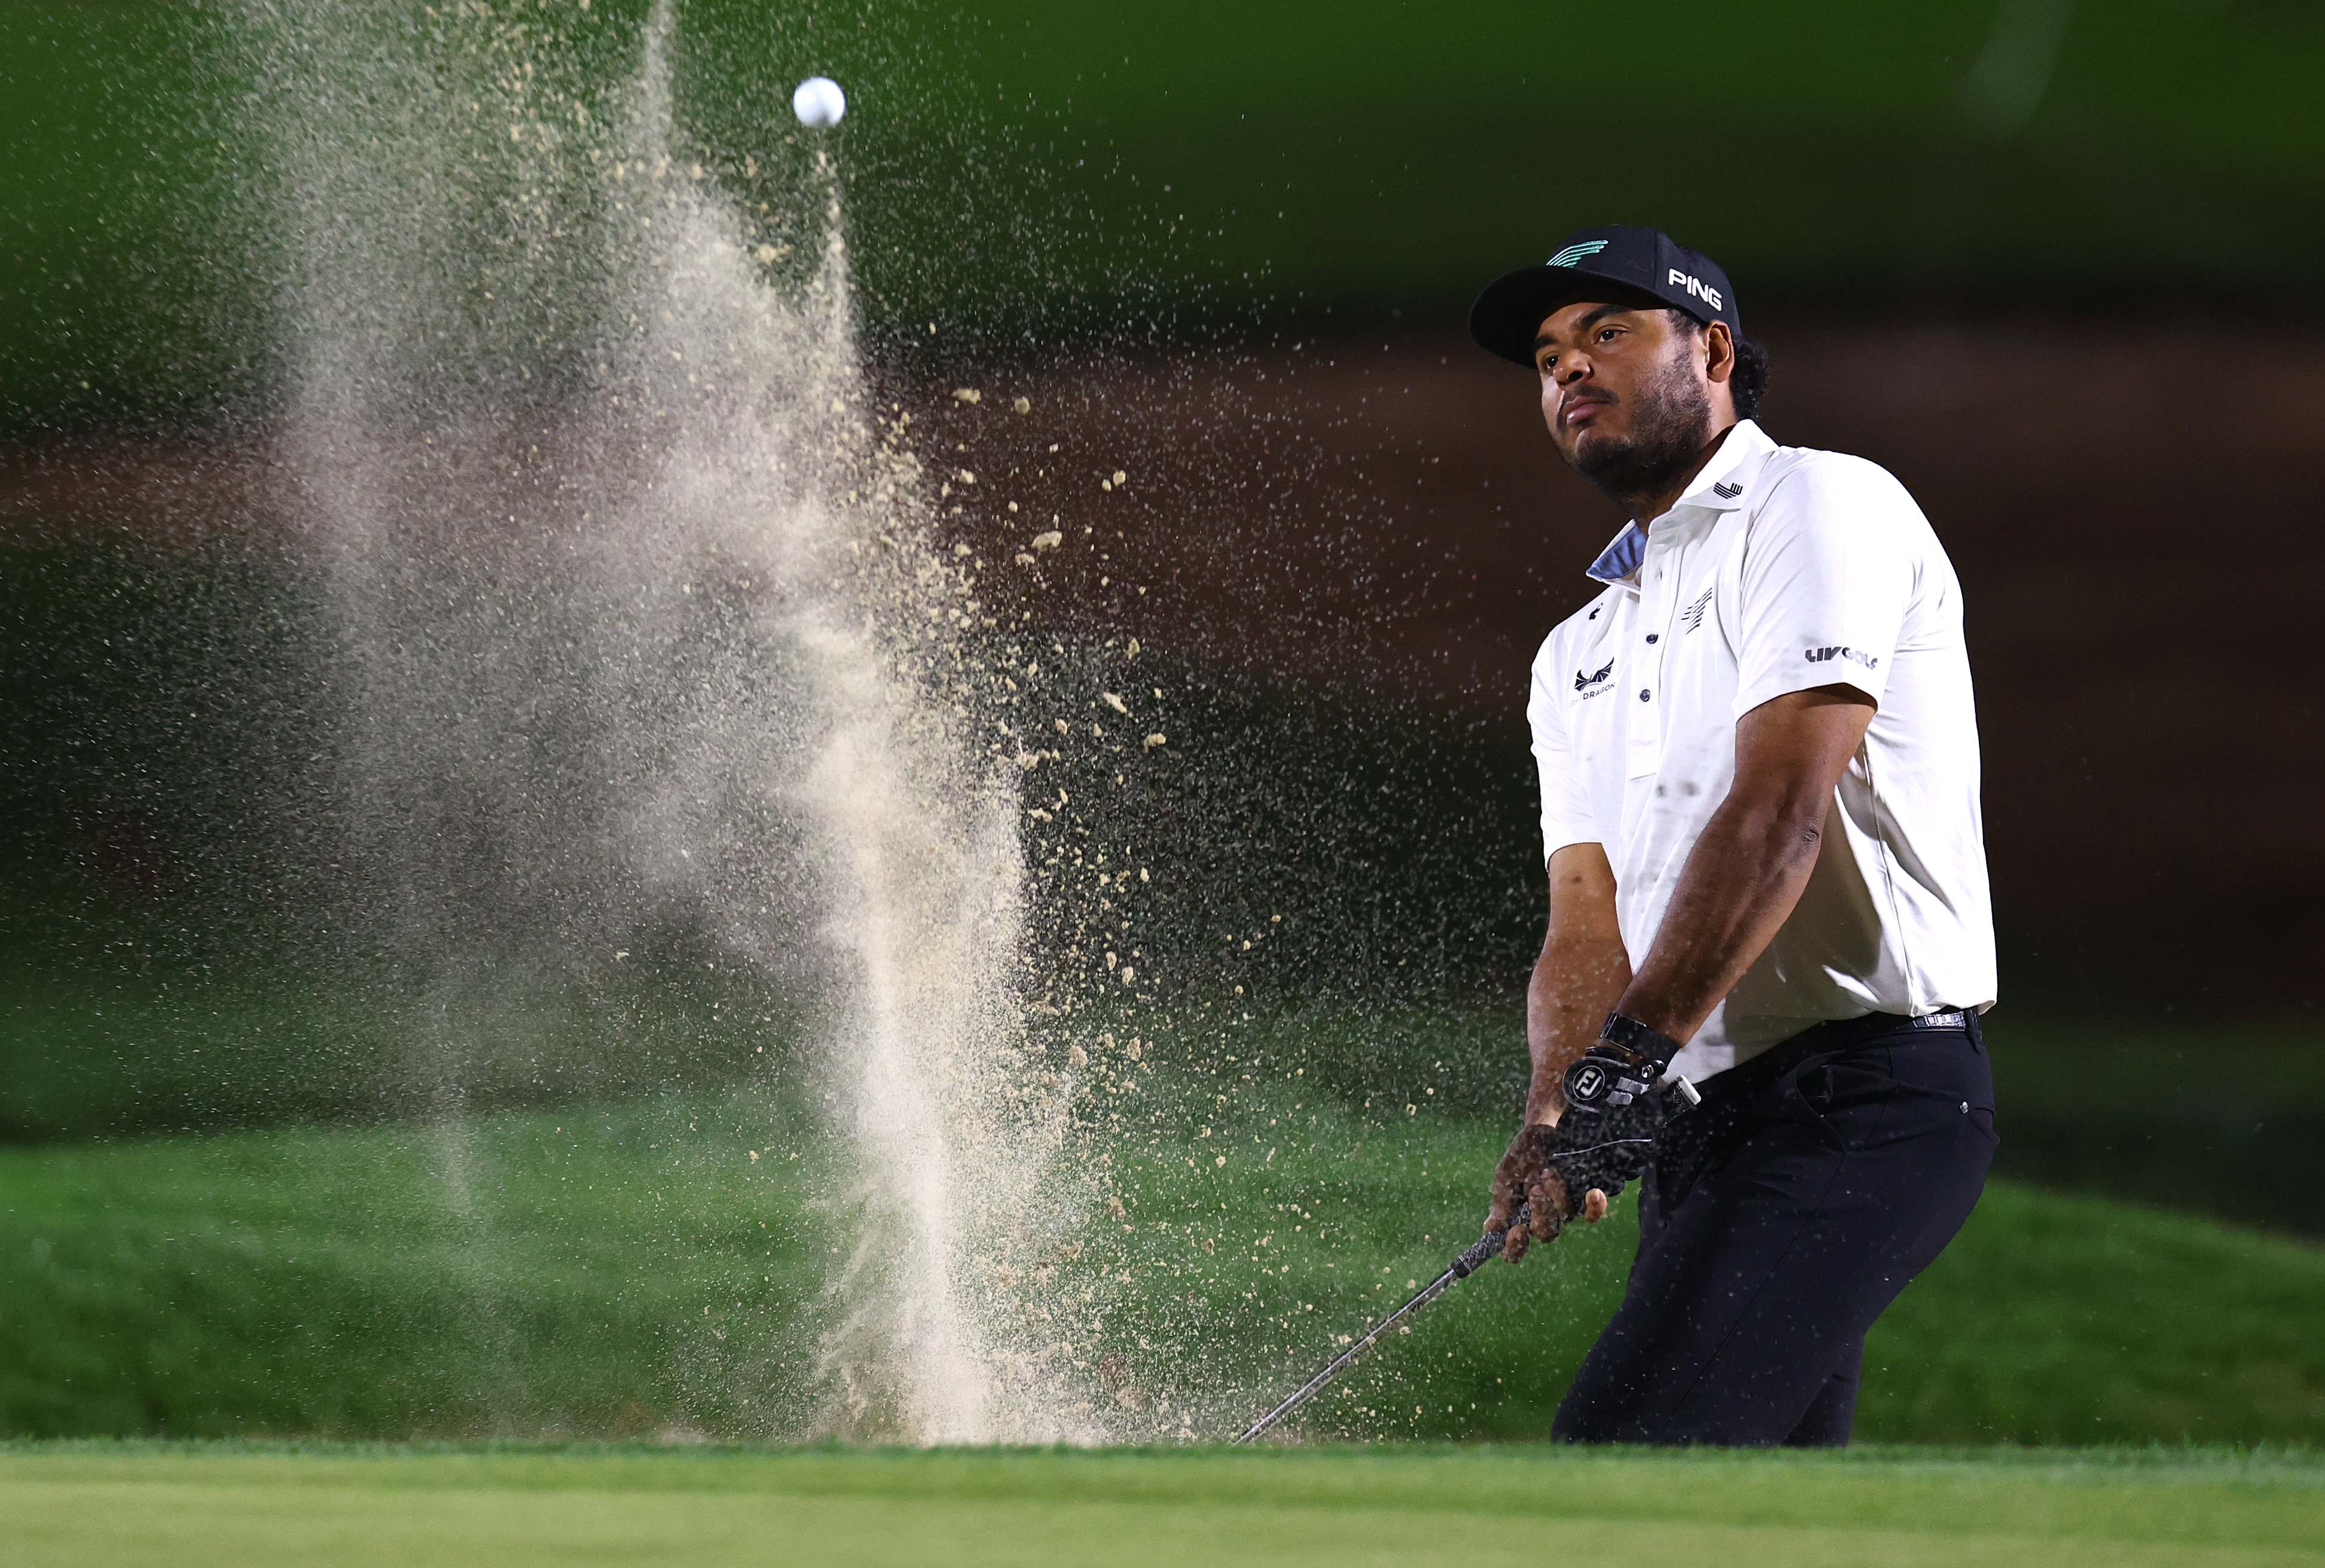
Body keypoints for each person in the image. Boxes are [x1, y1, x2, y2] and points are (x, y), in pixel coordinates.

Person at [1467, 226, 1998, 1446]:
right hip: (1701, 1124)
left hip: (1863, 1093)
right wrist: (1559, 1106)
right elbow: (1585, 913)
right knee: (1757, 1511)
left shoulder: (1819, 504)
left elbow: (1778, 814)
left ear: (1712, 349)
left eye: (1607, 332)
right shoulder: (1575, 650)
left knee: (1620, 1460)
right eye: (1548, 356)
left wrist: (1628, 1056)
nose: (1568, 371)